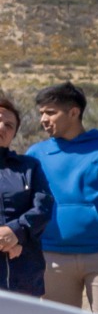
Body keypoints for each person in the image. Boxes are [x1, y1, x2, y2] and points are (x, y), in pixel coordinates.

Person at [27, 82, 98, 314]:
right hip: (52, 257)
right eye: (41, 113)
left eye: (50, 112)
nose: (43, 120)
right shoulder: (36, 154)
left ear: (74, 112)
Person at [0, 91, 53, 298]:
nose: (2, 128)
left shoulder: (29, 167)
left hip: (23, 272)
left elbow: (43, 207)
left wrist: (17, 233)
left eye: (9, 125)